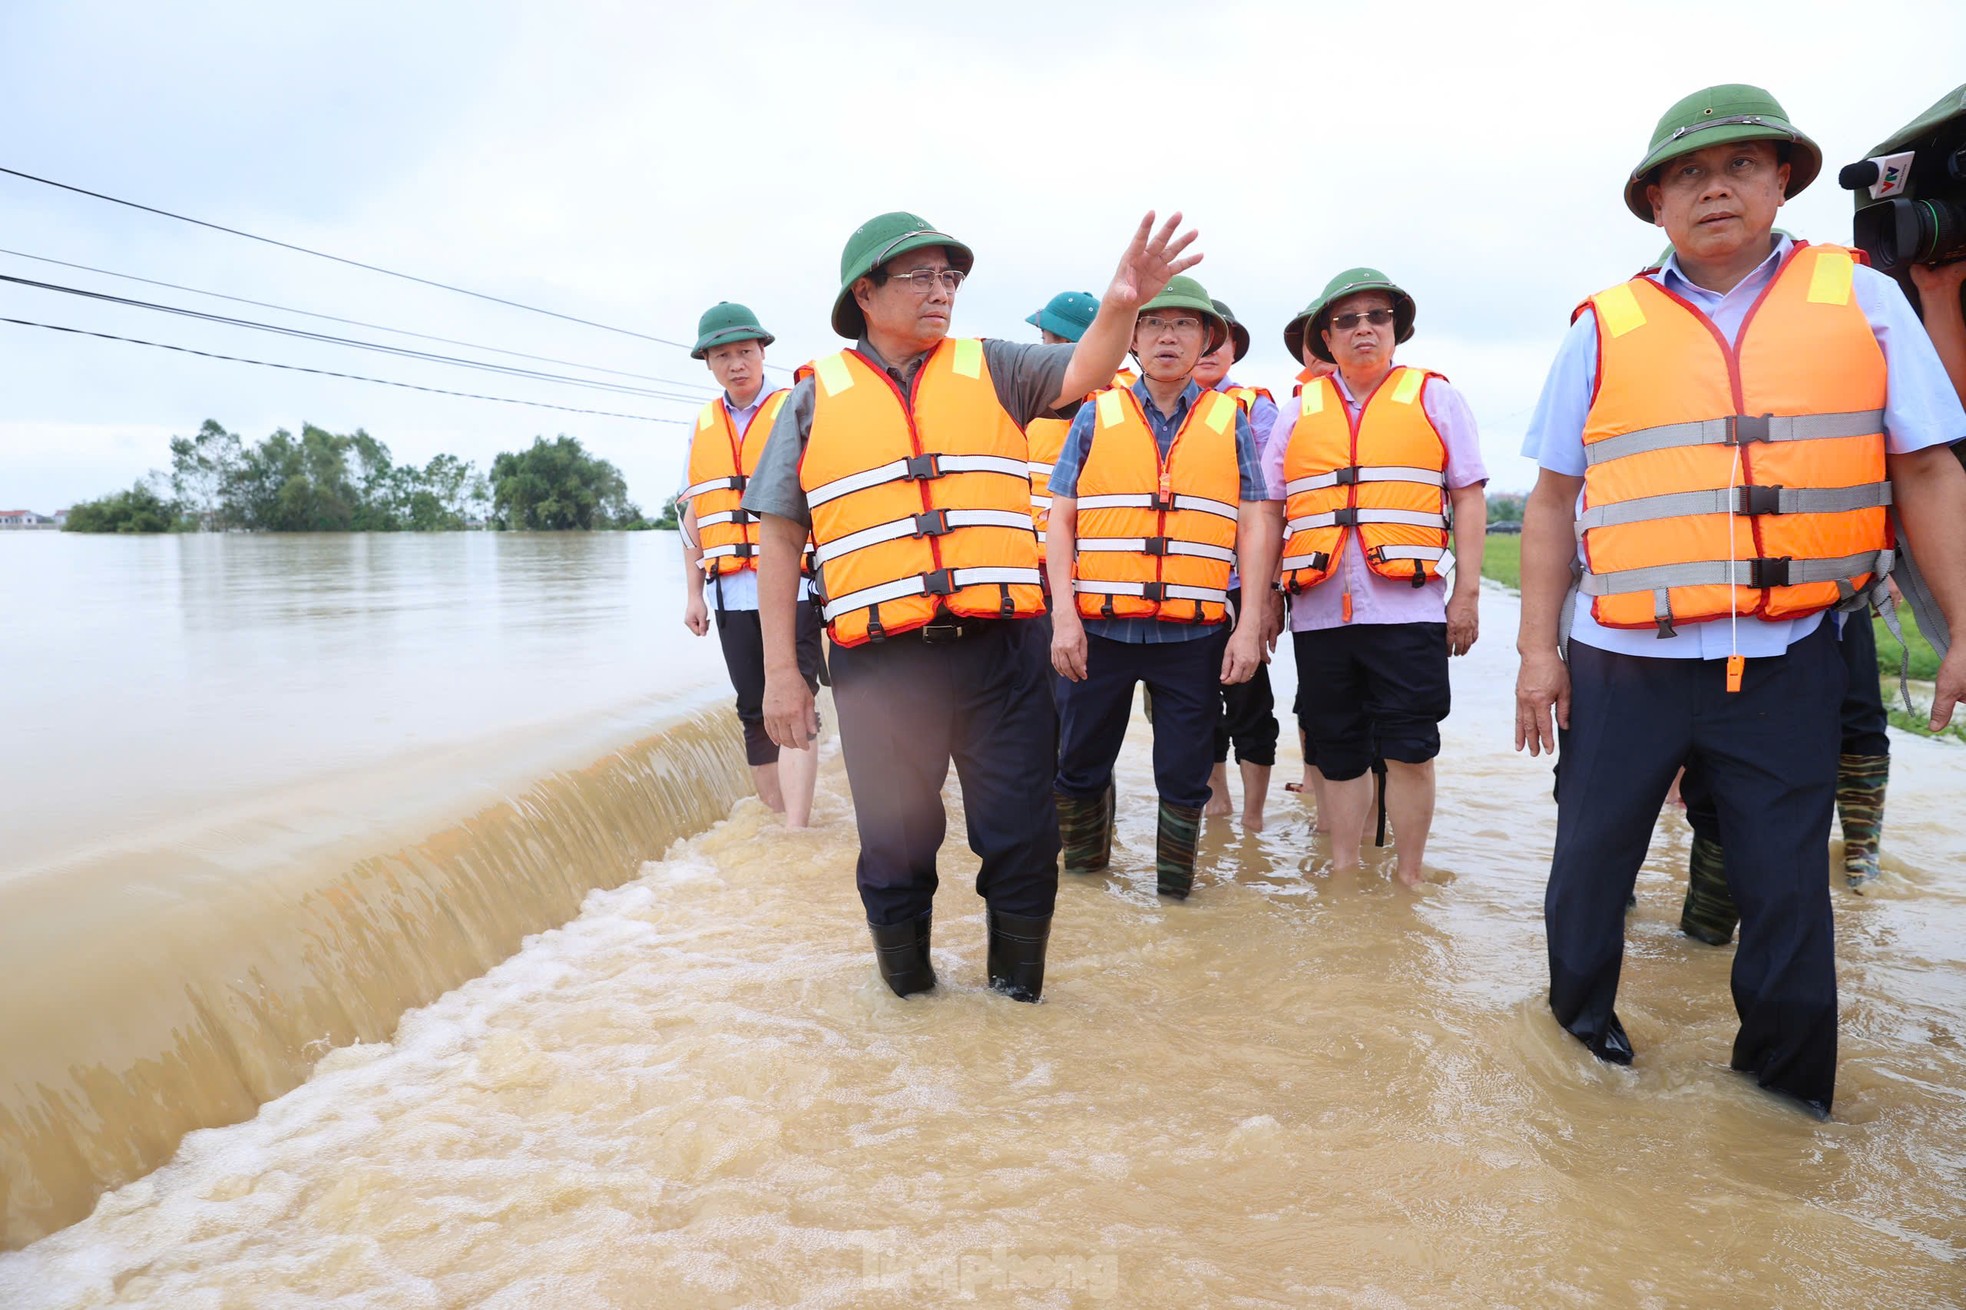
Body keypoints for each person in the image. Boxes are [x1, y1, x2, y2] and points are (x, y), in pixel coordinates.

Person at [1514, 85, 1966, 1115]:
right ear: (1655, 201)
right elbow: (1548, 501)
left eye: (1739, 165)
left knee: (1787, 896)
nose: (1713, 187)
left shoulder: (1859, 296)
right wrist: (1537, 651)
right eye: (1687, 173)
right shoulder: (1602, 323)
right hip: (1622, 660)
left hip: (1788, 654)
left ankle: (1779, 1116)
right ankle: (1579, 1074)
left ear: (1780, 181)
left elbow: (1930, 471)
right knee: (1586, 878)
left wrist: (1964, 628)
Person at [745, 210, 1201, 1002]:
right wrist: (782, 674)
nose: (941, 292)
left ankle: (1015, 1015)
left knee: (1025, 841)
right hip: (880, 665)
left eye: (949, 277)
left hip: (1001, 654)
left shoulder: (995, 367)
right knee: (895, 851)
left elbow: (1084, 370)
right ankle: (913, 1012)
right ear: (865, 292)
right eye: (919, 276)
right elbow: (780, 539)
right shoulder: (812, 400)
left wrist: (1122, 302)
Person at [1045, 277, 1276, 899]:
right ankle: (1088, 890)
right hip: (1099, 630)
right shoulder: (1096, 412)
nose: (1167, 336)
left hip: (1194, 634)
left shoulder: (1232, 421)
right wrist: (1063, 620)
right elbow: (1059, 518)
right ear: (1133, 339)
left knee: (1184, 775)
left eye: (1183, 325)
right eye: (1152, 324)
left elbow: (1254, 526)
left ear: (1206, 339)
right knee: (1077, 767)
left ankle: (1176, 898)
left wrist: (1248, 625)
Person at [1265, 269, 1487, 887]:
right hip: (1319, 611)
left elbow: (1468, 496)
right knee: (1335, 750)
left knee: (1411, 746)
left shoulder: (1435, 397)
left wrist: (1465, 595)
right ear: (1326, 339)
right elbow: (1268, 510)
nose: (1364, 327)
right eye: (1346, 320)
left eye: (1377, 317)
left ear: (1396, 329)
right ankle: (1345, 873)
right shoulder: (1296, 411)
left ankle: (1409, 878)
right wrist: (1263, 603)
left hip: (1408, 612)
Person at [679, 302, 824, 827]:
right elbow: (692, 513)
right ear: (709, 364)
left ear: (763, 353)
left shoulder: (796, 408)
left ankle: (796, 832)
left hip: (796, 586)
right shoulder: (702, 425)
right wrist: (694, 593)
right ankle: (781, 815)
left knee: (796, 697)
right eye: (724, 356)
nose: (736, 364)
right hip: (729, 592)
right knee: (753, 707)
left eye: (745, 352)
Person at [1192, 298, 1282, 830]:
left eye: (1218, 341)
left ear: (1233, 350)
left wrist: (1267, 592)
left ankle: (1253, 816)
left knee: (1250, 699)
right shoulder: (1150, 411)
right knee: (1191, 705)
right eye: (1198, 340)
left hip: (1238, 585)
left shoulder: (1256, 410)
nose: (1208, 351)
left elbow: (1273, 507)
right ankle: (1215, 800)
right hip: (1180, 587)